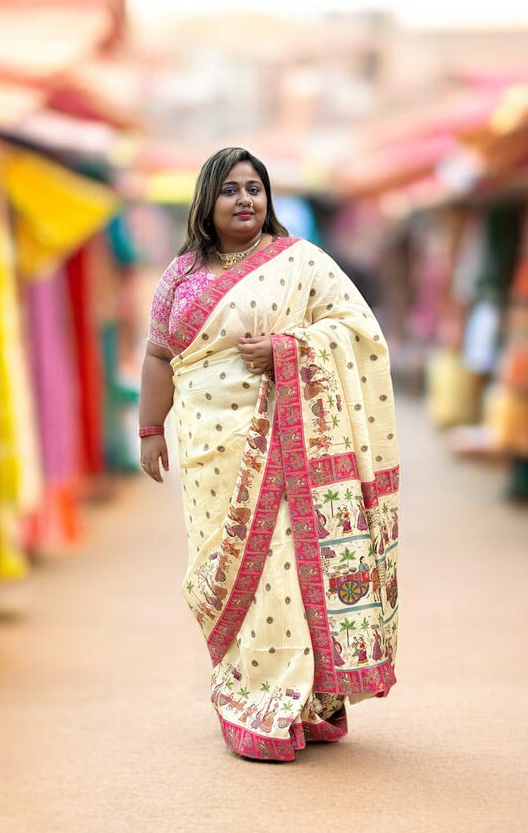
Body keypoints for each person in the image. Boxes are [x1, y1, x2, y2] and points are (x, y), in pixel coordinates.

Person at [138, 146, 400, 762]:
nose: (245, 199)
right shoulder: (178, 276)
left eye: (254, 188)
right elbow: (157, 354)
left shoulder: (302, 262)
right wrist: (152, 428)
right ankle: (251, 689)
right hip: (208, 457)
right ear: (207, 199)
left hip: (282, 445)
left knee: (281, 565)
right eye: (230, 189)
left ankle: (284, 701)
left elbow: (360, 332)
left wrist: (287, 349)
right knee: (225, 572)